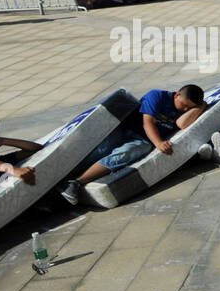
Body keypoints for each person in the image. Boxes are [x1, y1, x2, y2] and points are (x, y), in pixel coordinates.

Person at [60, 84, 207, 204]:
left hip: (141, 141)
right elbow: (147, 122)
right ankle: (60, 178)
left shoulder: (186, 109)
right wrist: (158, 143)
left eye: (190, 107)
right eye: (184, 105)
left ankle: (76, 182)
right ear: (177, 95)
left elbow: (182, 124)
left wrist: (199, 108)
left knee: (124, 154)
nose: (186, 109)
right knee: (100, 151)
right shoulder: (157, 96)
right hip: (126, 129)